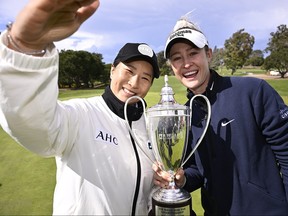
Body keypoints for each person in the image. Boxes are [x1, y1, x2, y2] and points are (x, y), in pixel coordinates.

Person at [0, 0, 161, 215]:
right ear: (112, 70)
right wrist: (26, 50)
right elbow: (34, 124)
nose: (134, 83)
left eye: (145, 78)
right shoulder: (81, 114)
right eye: (129, 71)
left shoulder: (150, 126)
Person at [153, 14, 288, 215]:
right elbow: (198, 170)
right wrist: (182, 179)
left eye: (193, 53)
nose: (186, 63)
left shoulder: (253, 90)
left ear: (208, 54)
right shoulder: (185, 113)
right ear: (172, 67)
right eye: (177, 58)